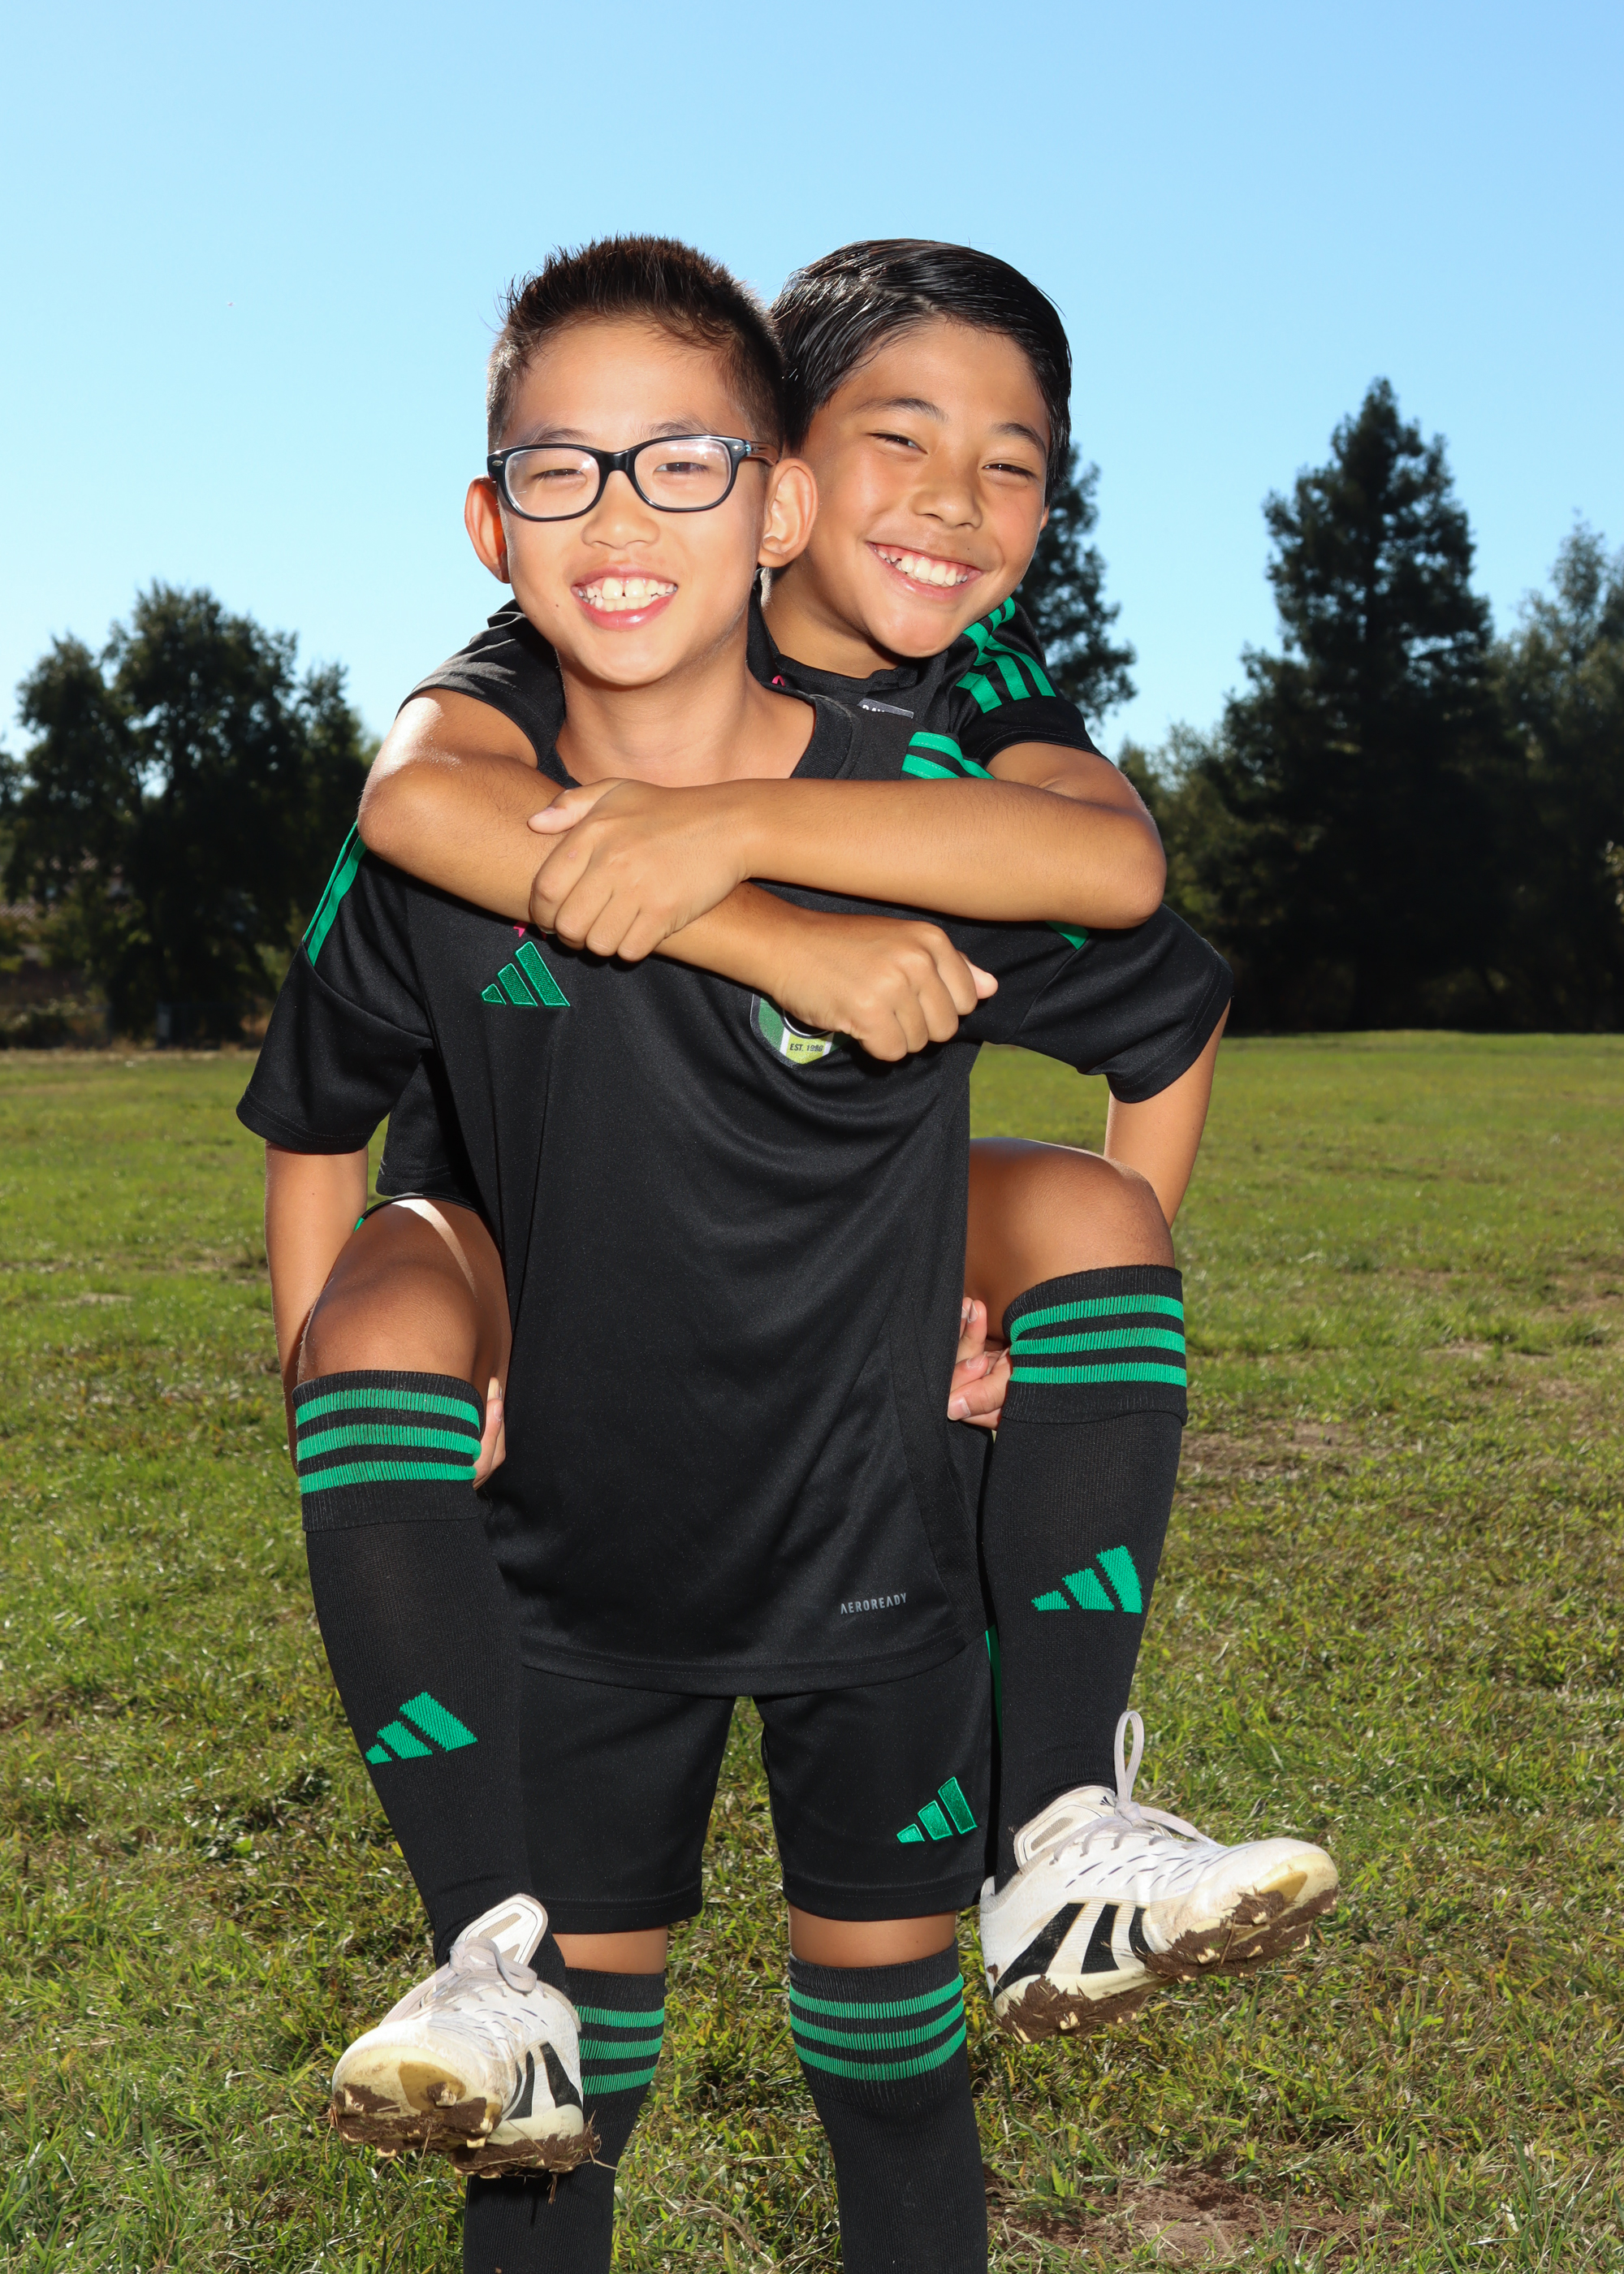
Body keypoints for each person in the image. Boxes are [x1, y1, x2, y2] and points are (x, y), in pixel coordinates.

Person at [242, 237, 1332, 2274]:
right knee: (557, 2124)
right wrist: (744, 913)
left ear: (766, 499)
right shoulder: (504, 718)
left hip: (858, 1491)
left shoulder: (945, 751)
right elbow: (389, 891)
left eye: (1011, 462)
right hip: (565, 1403)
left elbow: (1123, 896)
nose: (951, 501)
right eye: (899, 438)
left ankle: (1060, 1828)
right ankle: (486, 1959)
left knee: (894, 2067)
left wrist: (1003, 1321)